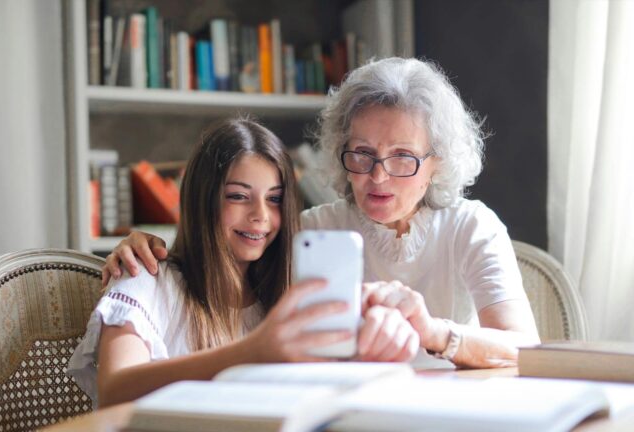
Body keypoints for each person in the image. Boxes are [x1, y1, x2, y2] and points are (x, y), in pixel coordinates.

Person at [103, 58, 541, 369]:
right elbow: (221, 265)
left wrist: (433, 332)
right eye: (362, 154)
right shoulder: (309, 231)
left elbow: (524, 347)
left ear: (437, 163)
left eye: (403, 157)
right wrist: (143, 245)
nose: (378, 177)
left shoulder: (471, 225)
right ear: (339, 151)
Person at [68, 118, 419, 408]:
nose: (260, 217)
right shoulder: (145, 278)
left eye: (275, 199)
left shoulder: (284, 294)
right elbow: (114, 390)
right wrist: (252, 352)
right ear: (202, 199)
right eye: (238, 196)